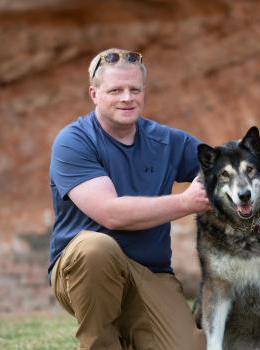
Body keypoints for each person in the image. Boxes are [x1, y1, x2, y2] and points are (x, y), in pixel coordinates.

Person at [48, 48, 210, 350]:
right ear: (94, 93)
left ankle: (135, 334)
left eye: (134, 89)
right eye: (115, 90)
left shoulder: (167, 140)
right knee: (96, 248)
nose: (127, 98)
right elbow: (112, 214)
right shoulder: (74, 141)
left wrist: (219, 176)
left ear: (144, 92)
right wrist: (187, 202)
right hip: (84, 271)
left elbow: (222, 165)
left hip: (150, 273)